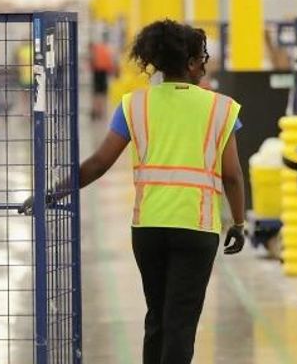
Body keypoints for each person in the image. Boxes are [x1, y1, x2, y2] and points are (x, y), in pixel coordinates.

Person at [21, 19, 248, 364]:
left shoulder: (134, 105)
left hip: (149, 230)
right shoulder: (220, 108)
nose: (206, 63)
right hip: (196, 228)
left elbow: (97, 164)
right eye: (202, 57)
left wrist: (49, 194)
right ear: (189, 63)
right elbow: (232, 176)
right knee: (180, 323)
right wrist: (240, 222)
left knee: (156, 318)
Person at [89, 37, 116, 120]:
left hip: (97, 72)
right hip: (104, 72)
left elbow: (92, 60)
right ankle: (102, 111)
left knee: (96, 92)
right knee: (103, 93)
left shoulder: (95, 49)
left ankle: (95, 110)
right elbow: (111, 62)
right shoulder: (105, 48)